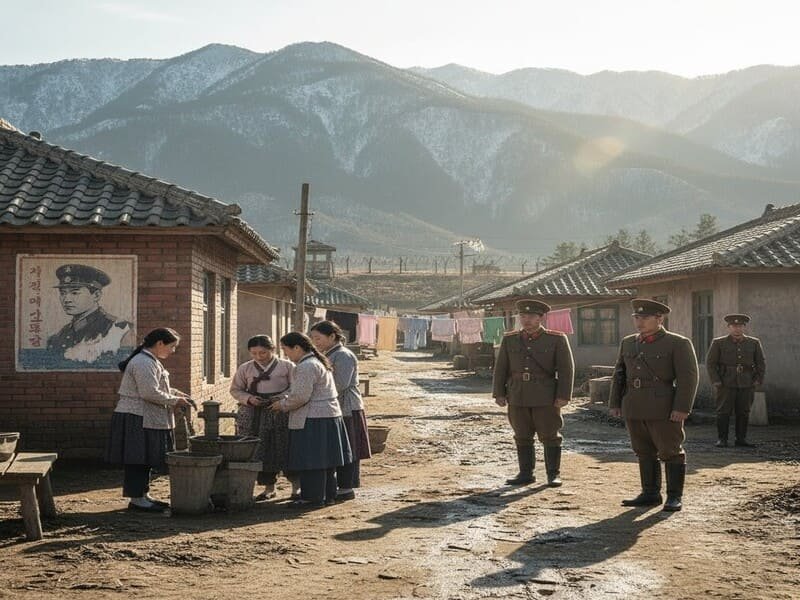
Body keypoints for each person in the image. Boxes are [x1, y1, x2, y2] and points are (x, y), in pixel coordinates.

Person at [609, 299, 699, 512]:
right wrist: (615, 402)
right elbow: (619, 374)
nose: (639, 322)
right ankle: (650, 493)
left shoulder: (677, 343)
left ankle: (674, 496)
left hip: (664, 406)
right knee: (643, 450)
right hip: (634, 404)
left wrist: (682, 408)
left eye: (645, 318)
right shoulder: (629, 342)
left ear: (660, 319)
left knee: (670, 450)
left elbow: (688, 378)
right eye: (637, 318)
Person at [105, 328, 192, 512]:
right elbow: (148, 392)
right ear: (160, 343)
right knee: (137, 458)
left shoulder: (150, 360)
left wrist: (176, 393)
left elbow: (155, 386)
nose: (173, 351)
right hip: (137, 417)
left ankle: (143, 495)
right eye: (172, 346)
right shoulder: (143, 362)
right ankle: (136, 498)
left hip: (146, 417)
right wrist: (175, 400)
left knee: (145, 458)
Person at [492, 299, 574, 487]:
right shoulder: (510, 339)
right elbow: (501, 367)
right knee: (521, 434)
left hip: (545, 395)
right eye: (522, 316)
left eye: (530, 316)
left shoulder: (556, 339)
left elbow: (566, 369)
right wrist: (499, 392)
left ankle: (553, 474)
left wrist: (563, 395)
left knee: (550, 434)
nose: (526, 320)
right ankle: (525, 473)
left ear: (541, 318)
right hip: (517, 394)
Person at [271, 332, 352, 508]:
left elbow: (300, 397)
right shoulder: (317, 362)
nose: (286, 356)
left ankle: (312, 498)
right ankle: (327, 495)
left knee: (311, 460)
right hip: (328, 416)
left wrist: (282, 405)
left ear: (297, 348)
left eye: (286, 351)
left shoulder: (306, 366)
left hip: (313, 418)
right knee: (326, 461)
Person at [230, 334, 298, 500]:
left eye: (263, 353)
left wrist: (281, 397)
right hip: (254, 412)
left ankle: (296, 486)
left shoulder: (287, 366)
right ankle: (269, 488)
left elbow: (295, 388)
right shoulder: (245, 368)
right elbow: (235, 390)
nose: (259, 357)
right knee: (261, 450)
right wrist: (249, 399)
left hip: (279, 411)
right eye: (254, 353)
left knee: (284, 446)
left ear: (272, 350)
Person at [309, 321, 372, 501]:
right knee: (340, 448)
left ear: (332, 337)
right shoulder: (327, 354)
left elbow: (340, 384)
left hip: (347, 407)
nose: (315, 342)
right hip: (334, 407)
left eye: (318, 338)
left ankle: (346, 487)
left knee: (348, 448)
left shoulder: (343, 355)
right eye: (313, 339)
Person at [47, 263, 132, 363]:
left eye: (74, 293)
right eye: (62, 293)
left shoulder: (121, 330)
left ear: (96, 295)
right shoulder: (57, 337)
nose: (66, 299)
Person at [706, 314, 766, 448]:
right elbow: (710, 363)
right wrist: (716, 380)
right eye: (734, 326)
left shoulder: (753, 343)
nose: (737, 329)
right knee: (723, 412)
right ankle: (722, 439)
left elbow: (761, 363)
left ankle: (741, 439)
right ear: (729, 327)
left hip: (746, 382)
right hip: (725, 382)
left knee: (744, 411)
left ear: (744, 327)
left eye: (739, 326)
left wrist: (758, 379)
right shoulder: (719, 342)